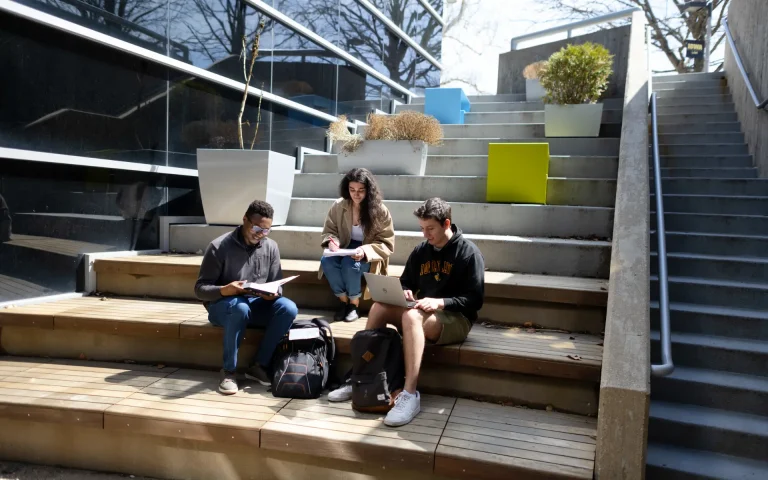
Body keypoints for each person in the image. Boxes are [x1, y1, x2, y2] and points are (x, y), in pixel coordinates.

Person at [328, 198, 485, 427]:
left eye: (430, 228)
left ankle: (409, 395)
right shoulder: (422, 251)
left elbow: (475, 299)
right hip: (421, 310)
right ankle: (362, 378)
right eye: (422, 229)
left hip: (456, 318)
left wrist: (441, 302)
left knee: (411, 316)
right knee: (379, 307)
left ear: (446, 223)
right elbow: (405, 282)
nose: (425, 234)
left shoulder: (468, 253)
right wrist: (406, 292)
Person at [195, 200, 298, 395]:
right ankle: (229, 372)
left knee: (289, 308)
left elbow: (276, 282)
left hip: (256, 303)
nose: (261, 234)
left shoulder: (271, 247)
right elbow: (200, 289)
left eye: (266, 230)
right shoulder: (219, 246)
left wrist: (274, 294)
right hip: (223, 306)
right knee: (239, 307)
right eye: (257, 228)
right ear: (245, 220)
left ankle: (258, 366)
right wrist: (224, 290)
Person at [320, 168, 395, 322]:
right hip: (344, 246)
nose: (356, 194)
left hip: (368, 250)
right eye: (352, 189)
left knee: (350, 264)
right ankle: (343, 300)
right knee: (326, 262)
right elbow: (329, 230)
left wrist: (365, 250)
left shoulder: (380, 210)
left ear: (369, 190)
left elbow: (387, 242)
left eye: (361, 190)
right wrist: (332, 241)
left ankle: (354, 304)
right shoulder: (339, 206)